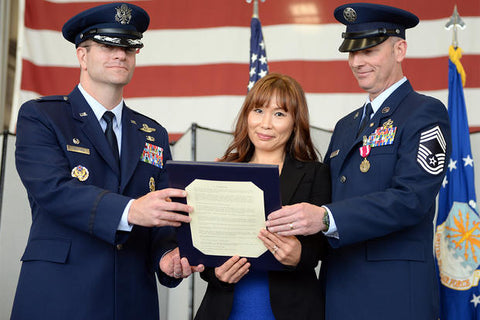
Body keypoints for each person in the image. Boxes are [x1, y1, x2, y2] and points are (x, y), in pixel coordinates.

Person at [11, 3, 203, 320]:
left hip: (132, 300)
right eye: (107, 45)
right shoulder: (42, 116)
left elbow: (163, 214)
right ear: (82, 55)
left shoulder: (153, 133)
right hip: (61, 296)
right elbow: (53, 190)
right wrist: (131, 210)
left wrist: (167, 254)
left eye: (129, 47)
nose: (120, 55)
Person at [265, 3, 451, 320]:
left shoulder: (424, 113)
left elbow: (411, 199)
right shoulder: (346, 126)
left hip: (394, 294)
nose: (357, 62)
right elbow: (320, 196)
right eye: (352, 52)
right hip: (337, 289)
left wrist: (325, 218)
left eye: (370, 51)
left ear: (400, 49)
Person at [194, 73, 331, 320]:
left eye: (279, 114)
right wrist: (217, 274)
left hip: (293, 308)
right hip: (225, 308)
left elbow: (325, 246)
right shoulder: (222, 170)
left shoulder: (316, 173)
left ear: (295, 121)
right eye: (258, 110)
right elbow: (204, 247)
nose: (265, 123)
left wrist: (299, 254)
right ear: (247, 115)